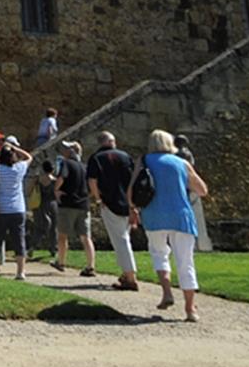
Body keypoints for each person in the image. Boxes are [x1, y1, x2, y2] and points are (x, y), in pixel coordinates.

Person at [127, 130, 208, 322]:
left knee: (159, 253)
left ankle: (167, 292)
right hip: (181, 215)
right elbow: (202, 190)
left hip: (154, 214)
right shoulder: (182, 163)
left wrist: (133, 208)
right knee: (185, 261)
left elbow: (131, 190)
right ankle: (190, 308)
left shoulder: (144, 161)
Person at [87, 131, 139, 290]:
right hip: (128, 202)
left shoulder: (96, 158)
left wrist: (98, 199)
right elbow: (134, 178)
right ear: (113, 141)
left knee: (120, 241)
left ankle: (130, 277)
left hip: (110, 202)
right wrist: (134, 203)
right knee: (124, 238)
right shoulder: (125, 156)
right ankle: (126, 274)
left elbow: (92, 181)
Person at [0, 137, 32, 280]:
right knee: (19, 240)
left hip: (1, 208)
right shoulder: (19, 168)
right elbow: (29, 157)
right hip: (18, 208)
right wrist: (14, 148)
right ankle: (20, 271)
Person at [53, 141, 96, 276]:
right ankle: (90, 266)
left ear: (71, 152)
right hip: (83, 205)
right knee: (86, 237)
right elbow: (91, 186)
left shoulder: (66, 163)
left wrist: (56, 190)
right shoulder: (85, 167)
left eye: (67, 149)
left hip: (68, 204)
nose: (64, 151)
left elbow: (62, 177)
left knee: (62, 235)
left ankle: (61, 262)